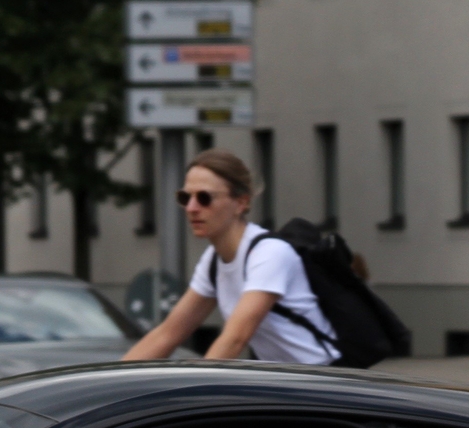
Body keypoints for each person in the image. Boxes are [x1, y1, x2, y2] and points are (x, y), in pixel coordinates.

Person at [122, 148, 338, 365]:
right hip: (285, 382)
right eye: (185, 197)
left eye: (204, 198)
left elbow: (235, 339)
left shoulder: (269, 253)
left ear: (241, 203)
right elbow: (167, 335)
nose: (191, 207)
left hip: (324, 380)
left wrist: (197, 390)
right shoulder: (213, 261)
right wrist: (109, 385)